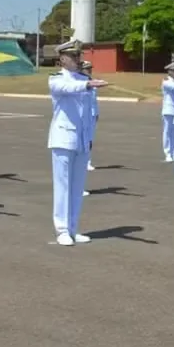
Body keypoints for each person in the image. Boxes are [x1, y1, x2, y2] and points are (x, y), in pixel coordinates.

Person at [48, 40, 108, 246]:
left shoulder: (83, 78)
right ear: (62, 59)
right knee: (63, 186)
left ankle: (73, 228)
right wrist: (88, 84)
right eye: (73, 56)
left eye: (78, 55)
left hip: (82, 139)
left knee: (77, 186)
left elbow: (88, 114)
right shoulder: (56, 79)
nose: (77, 59)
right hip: (63, 138)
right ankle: (62, 229)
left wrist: (89, 138)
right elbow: (66, 88)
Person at [80, 61, 100, 171]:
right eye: (87, 69)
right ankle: (82, 161)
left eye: (90, 68)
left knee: (90, 139)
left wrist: (96, 113)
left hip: (92, 114)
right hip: (83, 115)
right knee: (83, 139)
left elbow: (94, 101)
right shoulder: (79, 82)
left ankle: (87, 161)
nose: (89, 70)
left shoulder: (92, 81)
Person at [160, 62, 174, 162]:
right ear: (170, 71)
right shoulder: (166, 81)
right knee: (168, 132)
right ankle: (168, 153)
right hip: (169, 109)